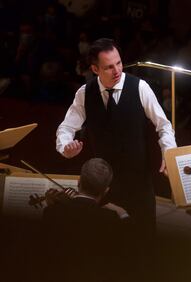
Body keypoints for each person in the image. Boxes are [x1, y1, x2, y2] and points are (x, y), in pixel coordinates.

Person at [56, 38, 177, 237]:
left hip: (138, 180)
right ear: (95, 69)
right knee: (106, 242)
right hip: (103, 185)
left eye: (119, 63)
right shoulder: (84, 93)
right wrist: (65, 147)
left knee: (144, 239)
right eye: (109, 67)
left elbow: (164, 125)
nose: (117, 71)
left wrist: (169, 153)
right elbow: (66, 127)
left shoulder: (140, 87)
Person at [42, 158, 134, 282]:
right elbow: (132, 246)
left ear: (78, 182)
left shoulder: (51, 212)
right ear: (106, 190)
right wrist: (123, 214)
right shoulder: (110, 219)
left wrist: (52, 206)